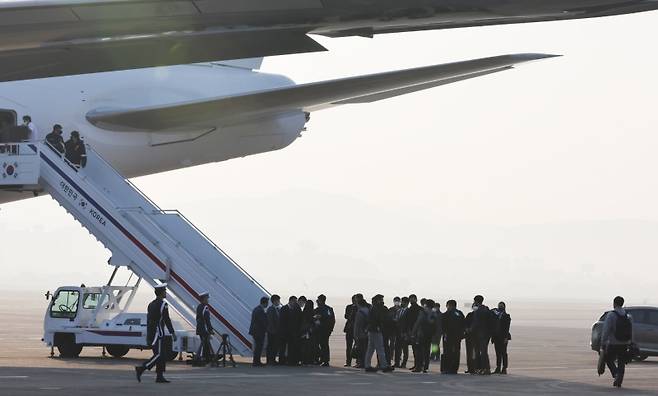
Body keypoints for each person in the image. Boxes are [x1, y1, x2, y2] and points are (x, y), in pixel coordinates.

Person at [135, 283, 176, 383]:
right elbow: (167, 320)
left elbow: (149, 319)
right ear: (161, 293)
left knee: (161, 355)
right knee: (159, 355)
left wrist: (149, 334)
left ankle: (159, 376)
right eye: (165, 291)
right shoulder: (163, 304)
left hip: (152, 332)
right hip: (159, 333)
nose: (166, 293)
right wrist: (172, 332)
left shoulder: (151, 304)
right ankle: (142, 368)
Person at [601, 296, 633, 388]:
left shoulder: (611, 315)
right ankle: (619, 380)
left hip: (613, 342)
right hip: (624, 342)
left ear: (614, 303)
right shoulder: (627, 315)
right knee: (621, 362)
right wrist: (630, 341)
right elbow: (631, 330)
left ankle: (615, 374)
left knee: (608, 359)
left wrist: (603, 342)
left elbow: (606, 329)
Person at [364, 295, 394, 373]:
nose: (382, 301)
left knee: (370, 349)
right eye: (381, 299)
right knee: (380, 349)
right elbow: (378, 319)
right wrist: (378, 326)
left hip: (372, 330)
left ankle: (367, 365)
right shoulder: (377, 308)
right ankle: (384, 366)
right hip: (376, 330)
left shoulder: (373, 308)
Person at [411, 299, 437, 373]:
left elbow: (418, 322)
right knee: (427, 350)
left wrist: (413, 332)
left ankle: (419, 367)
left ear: (426, 305)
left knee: (419, 351)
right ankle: (426, 367)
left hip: (421, 334)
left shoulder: (423, 312)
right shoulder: (434, 313)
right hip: (429, 334)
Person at [470, 295, 493, 375]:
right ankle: (483, 368)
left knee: (481, 352)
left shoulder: (478, 310)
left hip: (479, 333)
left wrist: (470, 329)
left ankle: (484, 369)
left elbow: (476, 322)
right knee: (483, 351)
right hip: (486, 333)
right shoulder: (486, 309)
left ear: (475, 301)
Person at [441, 300, 466, 374]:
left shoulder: (447, 314)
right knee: (456, 352)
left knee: (447, 352)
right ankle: (454, 368)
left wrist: (444, 334)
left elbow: (443, 325)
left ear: (449, 305)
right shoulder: (460, 313)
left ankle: (447, 368)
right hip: (457, 336)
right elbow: (463, 324)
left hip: (449, 336)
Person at [279, 296, 302, 366]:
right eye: (294, 301)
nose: (295, 303)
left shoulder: (296, 309)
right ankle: (282, 361)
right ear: (290, 301)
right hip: (284, 331)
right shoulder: (284, 308)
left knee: (291, 346)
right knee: (283, 347)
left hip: (292, 332)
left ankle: (290, 360)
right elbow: (281, 321)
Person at [193, 292, 214, 366]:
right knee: (206, 345)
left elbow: (198, 318)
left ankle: (203, 359)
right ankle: (206, 360)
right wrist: (210, 329)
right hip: (204, 329)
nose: (208, 300)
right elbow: (207, 319)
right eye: (207, 298)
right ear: (204, 299)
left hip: (200, 328)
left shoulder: (199, 306)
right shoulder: (205, 307)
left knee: (204, 344)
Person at [314, 294, 335, 366]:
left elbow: (314, 317)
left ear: (320, 300)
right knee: (325, 345)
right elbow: (333, 320)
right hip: (327, 330)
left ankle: (323, 359)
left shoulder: (319, 309)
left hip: (320, 329)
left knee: (321, 345)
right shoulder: (329, 308)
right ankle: (324, 359)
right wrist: (331, 329)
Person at [491, 301, 511, 374]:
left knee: (503, 353)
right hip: (496, 337)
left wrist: (505, 338)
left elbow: (507, 328)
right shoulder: (496, 315)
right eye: (499, 305)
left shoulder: (506, 316)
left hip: (503, 337)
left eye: (501, 306)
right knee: (498, 353)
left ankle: (504, 368)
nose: (500, 307)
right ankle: (498, 367)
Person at [249, 297, 269, 366]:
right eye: (267, 303)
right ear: (265, 303)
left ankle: (256, 361)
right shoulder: (260, 310)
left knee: (258, 346)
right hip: (258, 331)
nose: (267, 305)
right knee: (259, 347)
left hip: (256, 331)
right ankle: (256, 362)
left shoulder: (257, 309)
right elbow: (262, 322)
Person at [353, 297, 370, 369]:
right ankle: (365, 363)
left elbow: (357, 324)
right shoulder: (368, 310)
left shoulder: (360, 312)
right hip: (367, 332)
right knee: (365, 349)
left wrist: (355, 334)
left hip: (360, 333)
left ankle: (361, 363)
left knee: (361, 349)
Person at [406, 294, 422, 371]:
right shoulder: (410, 309)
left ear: (416, 299)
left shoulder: (419, 309)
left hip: (417, 331)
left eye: (413, 299)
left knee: (418, 350)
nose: (411, 301)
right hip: (412, 330)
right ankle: (417, 365)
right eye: (410, 299)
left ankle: (419, 366)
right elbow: (408, 321)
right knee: (415, 349)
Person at [395, 296, 410, 368]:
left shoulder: (409, 311)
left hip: (404, 332)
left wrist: (406, 333)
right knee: (397, 348)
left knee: (405, 349)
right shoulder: (399, 311)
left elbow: (408, 323)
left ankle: (404, 363)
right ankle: (397, 363)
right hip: (398, 332)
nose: (401, 303)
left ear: (406, 303)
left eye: (402, 302)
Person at [266, 294, 281, 365]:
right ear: (274, 301)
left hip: (276, 331)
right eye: (278, 300)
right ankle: (270, 360)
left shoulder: (277, 309)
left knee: (275, 346)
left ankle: (272, 359)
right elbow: (270, 321)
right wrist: (274, 330)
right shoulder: (271, 309)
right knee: (271, 346)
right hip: (272, 331)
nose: (279, 302)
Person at [300, 299, 317, 365]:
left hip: (304, 331)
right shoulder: (313, 313)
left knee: (304, 346)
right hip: (310, 332)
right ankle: (310, 360)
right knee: (310, 346)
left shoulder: (304, 312)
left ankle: (303, 359)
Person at [387, 297, 401, 367]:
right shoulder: (391, 309)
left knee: (398, 345)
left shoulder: (401, 309)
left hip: (399, 329)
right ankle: (391, 355)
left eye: (398, 301)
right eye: (395, 301)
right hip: (392, 329)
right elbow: (388, 318)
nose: (397, 302)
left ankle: (398, 357)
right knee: (392, 344)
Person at [343, 295, 358, 367]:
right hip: (349, 328)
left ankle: (358, 361)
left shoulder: (359, 307)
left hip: (357, 328)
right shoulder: (349, 307)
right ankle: (348, 361)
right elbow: (346, 316)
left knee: (358, 345)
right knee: (348, 346)